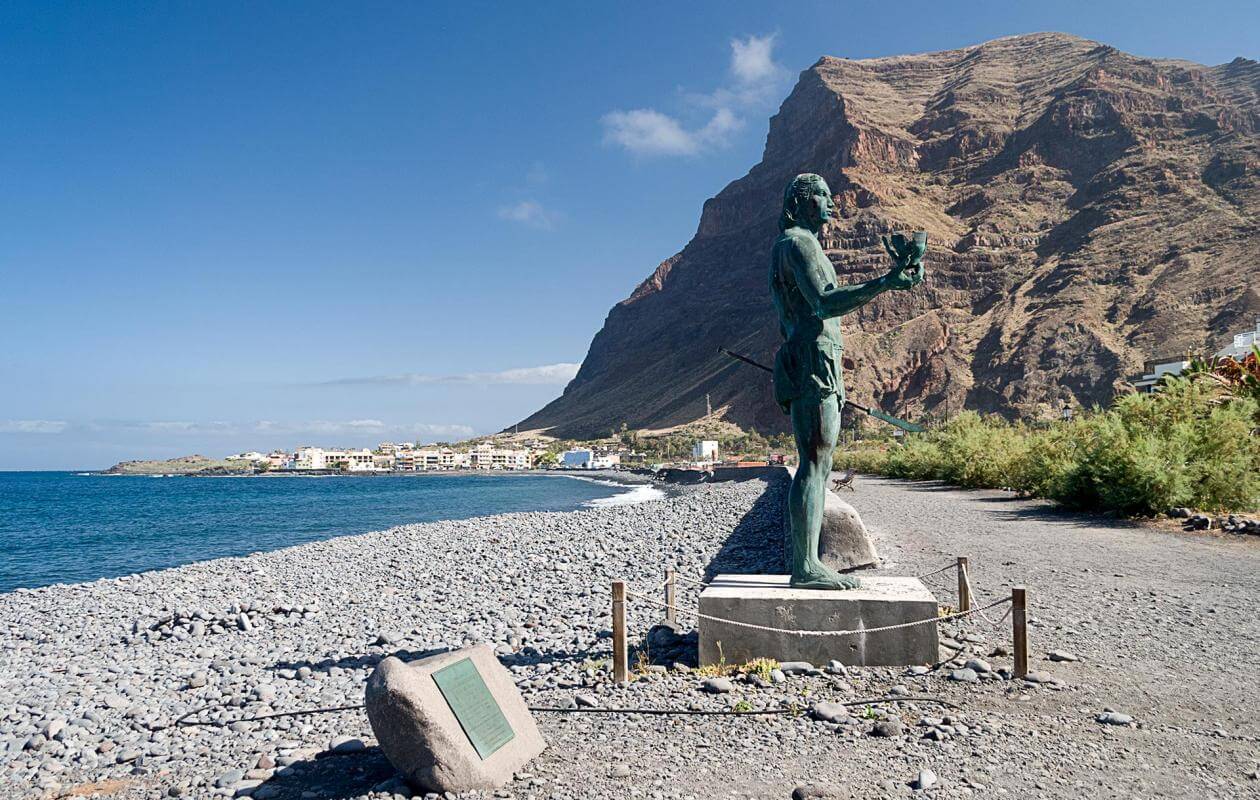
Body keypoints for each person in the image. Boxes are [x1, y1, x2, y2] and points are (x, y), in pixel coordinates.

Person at [769, 173, 925, 589]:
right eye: (821, 195)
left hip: (820, 358)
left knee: (822, 463)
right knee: (814, 462)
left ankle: (809, 563)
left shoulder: (804, 244)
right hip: (812, 358)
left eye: (829, 195)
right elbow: (822, 302)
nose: (831, 202)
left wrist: (891, 279)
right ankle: (805, 567)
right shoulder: (798, 244)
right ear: (798, 202)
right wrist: (886, 282)